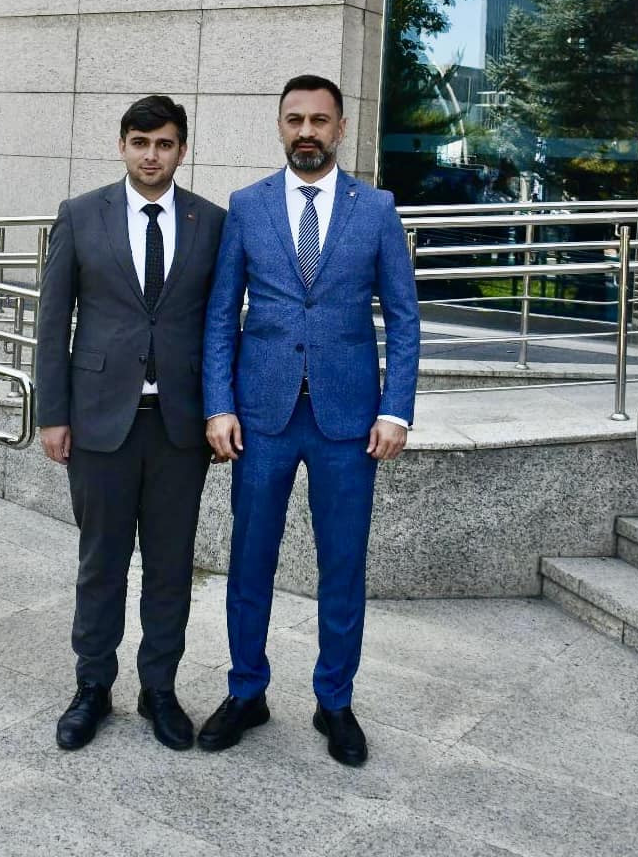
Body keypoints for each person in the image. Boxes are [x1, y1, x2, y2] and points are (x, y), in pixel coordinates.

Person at [200, 74, 420, 766]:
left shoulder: (376, 209)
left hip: (349, 421)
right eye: (294, 119)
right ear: (280, 126)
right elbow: (220, 316)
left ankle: (335, 701)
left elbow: (405, 319)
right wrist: (218, 405)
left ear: (340, 128)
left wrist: (396, 409)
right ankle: (246, 691)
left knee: (343, 565)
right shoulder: (247, 206)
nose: (306, 131)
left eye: (319, 120)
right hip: (260, 416)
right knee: (249, 560)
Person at [36, 95, 225, 752]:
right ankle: (92, 687)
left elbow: (221, 326)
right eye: (140, 142)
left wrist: (220, 410)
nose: (151, 155)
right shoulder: (80, 214)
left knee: (171, 568)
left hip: (179, 429)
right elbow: (53, 320)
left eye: (164, 144)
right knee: (102, 564)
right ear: (122, 145)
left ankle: (159, 690)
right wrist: (52, 414)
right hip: (99, 423)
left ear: (182, 150)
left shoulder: (211, 223)